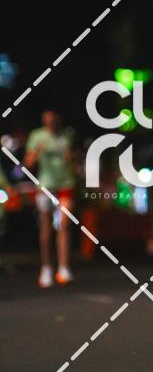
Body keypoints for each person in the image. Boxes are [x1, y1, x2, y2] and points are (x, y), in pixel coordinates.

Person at [24, 109, 76, 287]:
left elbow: (76, 160)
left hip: (65, 184)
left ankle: (63, 267)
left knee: (64, 225)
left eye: (53, 119)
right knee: (46, 228)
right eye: (47, 119)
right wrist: (37, 152)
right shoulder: (37, 136)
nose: (50, 122)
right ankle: (46, 267)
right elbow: (28, 163)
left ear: (58, 119)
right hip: (45, 185)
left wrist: (71, 158)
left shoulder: (67, 135)